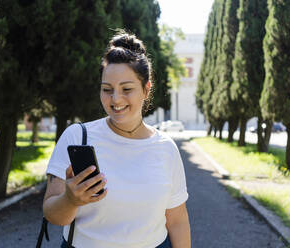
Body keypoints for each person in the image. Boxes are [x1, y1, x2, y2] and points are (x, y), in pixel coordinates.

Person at [42, 31, 191, 248]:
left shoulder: (166, 148)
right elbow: (53, 215)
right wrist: (70, 199)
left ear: (146, 89)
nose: (115, 99)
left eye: (126, 89)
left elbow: (177, 221)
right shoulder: (78, 137)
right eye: (107, 90)